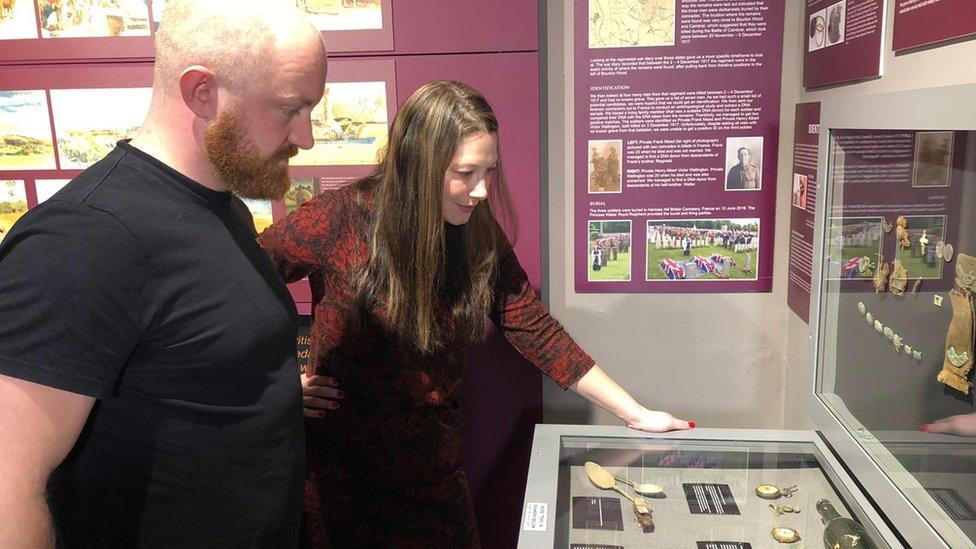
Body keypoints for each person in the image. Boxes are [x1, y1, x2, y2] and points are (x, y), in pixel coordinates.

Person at [259, 81, 693, 547]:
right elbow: (241, 287)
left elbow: (532, 325)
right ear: (419, 165)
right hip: (337, 473)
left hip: (432, 465)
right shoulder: (339, 217)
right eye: (465, 173)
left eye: (489, 170)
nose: (482, 190)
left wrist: (635, 412)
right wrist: (274, 384)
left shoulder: (476, 232)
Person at [0, 1, 327, 546]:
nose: (307, 136)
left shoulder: (225, 207)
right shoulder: (85, 239)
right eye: (290, 108)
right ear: (202, 91)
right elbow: (9, 483)